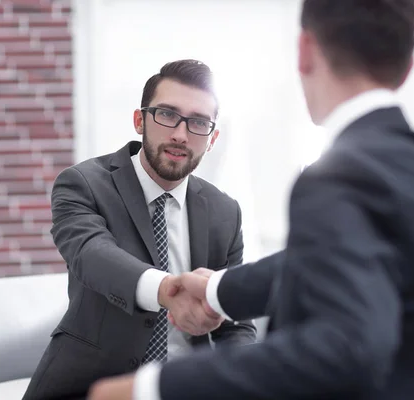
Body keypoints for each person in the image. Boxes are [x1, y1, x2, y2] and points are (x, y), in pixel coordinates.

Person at [88, 1, 414, 399]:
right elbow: (336, 258)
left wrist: (152, 388)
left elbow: (347, 346)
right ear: (406, 67)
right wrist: (220, 290)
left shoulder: (337, 176)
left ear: (304, 50)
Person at [22, 59, 256, 400]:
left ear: (212, 137)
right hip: (92, 388)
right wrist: (168, 290)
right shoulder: (83, 184)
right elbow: (92, 255)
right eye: (166, 114)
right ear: (139, 120)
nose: (180, 134)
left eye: (199, 122)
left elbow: (235, 323)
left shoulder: (225, 212)